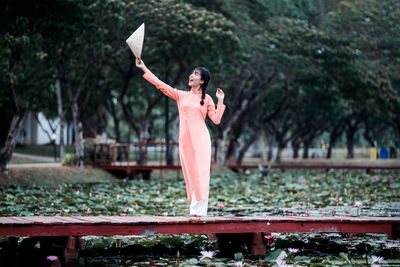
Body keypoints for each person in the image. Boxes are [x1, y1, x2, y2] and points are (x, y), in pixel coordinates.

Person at [136, 58, 226, 216]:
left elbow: (217, 120)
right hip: (185, 140)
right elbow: (160, 85)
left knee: (201, 172)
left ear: (202, 80)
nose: (191, 75)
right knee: (190, 172)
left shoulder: (207, 99)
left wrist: (220, 101)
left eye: (196, 74)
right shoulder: (181, 96)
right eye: (192, 73)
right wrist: (144, 68)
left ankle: (200, 212)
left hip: (201, 139)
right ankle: (195, 209)